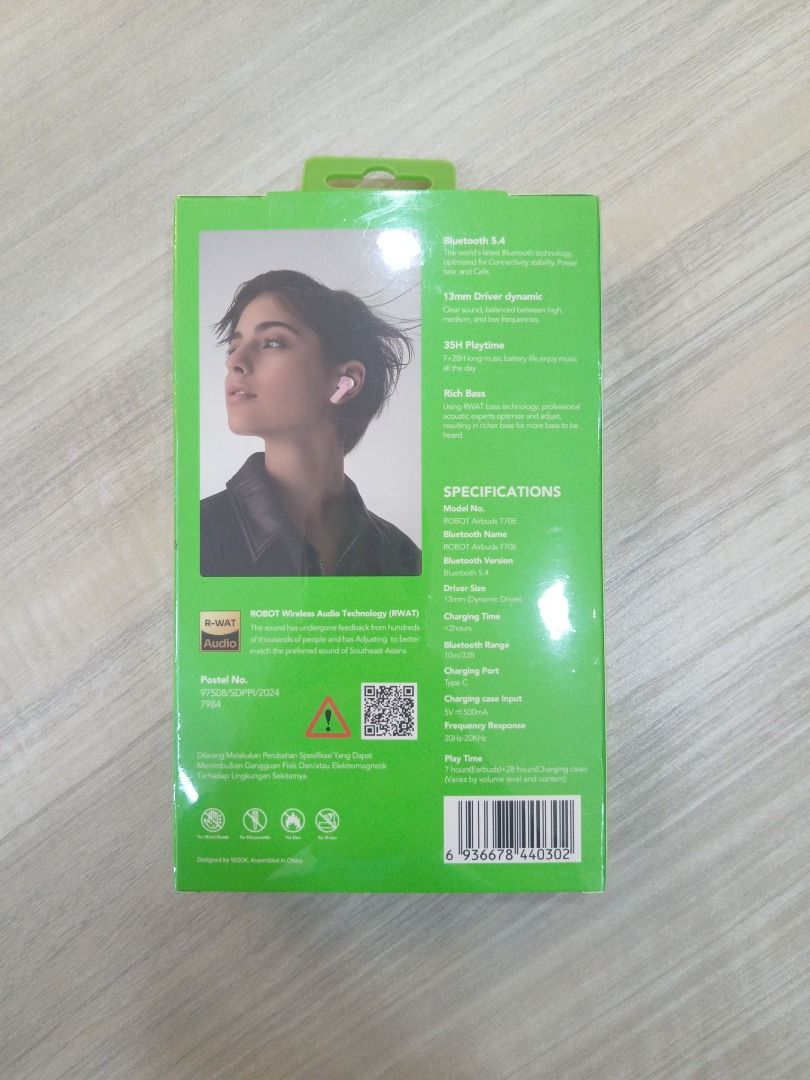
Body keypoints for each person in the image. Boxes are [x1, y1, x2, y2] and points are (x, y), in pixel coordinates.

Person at [200, 269, 421, 576]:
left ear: (345, 382)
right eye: (233, 347)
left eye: (272, 342)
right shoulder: (196, 537)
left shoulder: (403, 559)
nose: (234, 361)